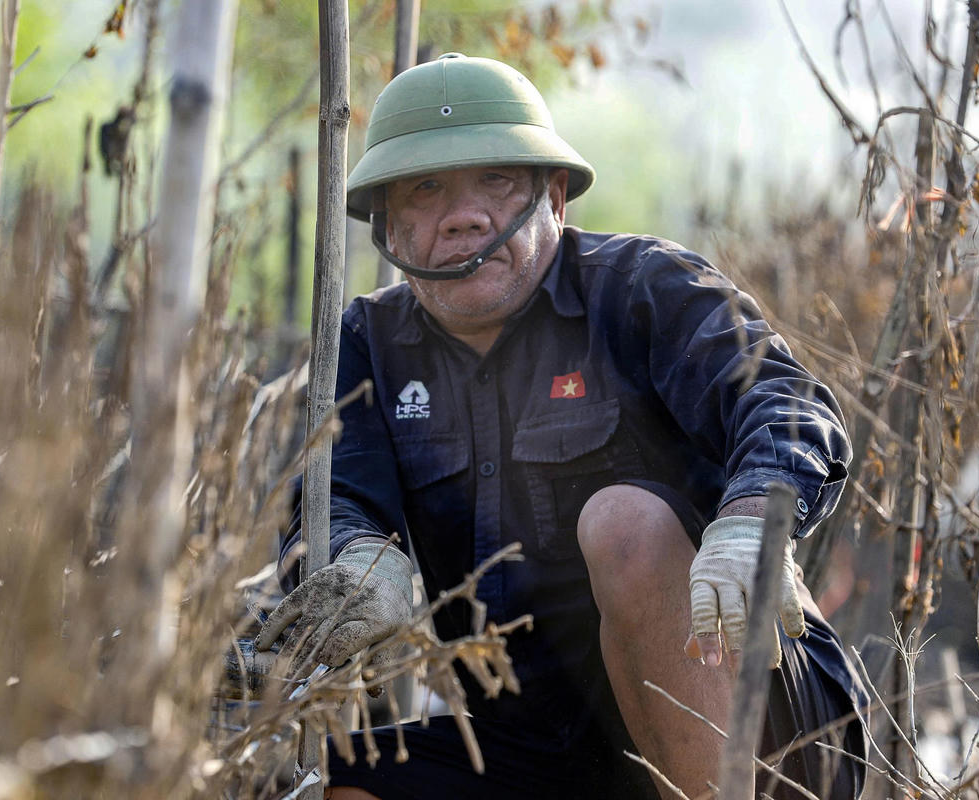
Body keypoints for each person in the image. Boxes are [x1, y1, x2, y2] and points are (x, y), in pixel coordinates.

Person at [257, 53, 868, 799]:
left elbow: (785, 402)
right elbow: (335, 491)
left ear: (554, 198)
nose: (464, 215)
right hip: (538, 749)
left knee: (624, 523)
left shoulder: (645, 288)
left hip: (759, 733)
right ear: (388, 223)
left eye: (496, 180)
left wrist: (750, 522)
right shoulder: (366, 344)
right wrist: (361, 566)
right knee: (348, 780)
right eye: (426, 188)